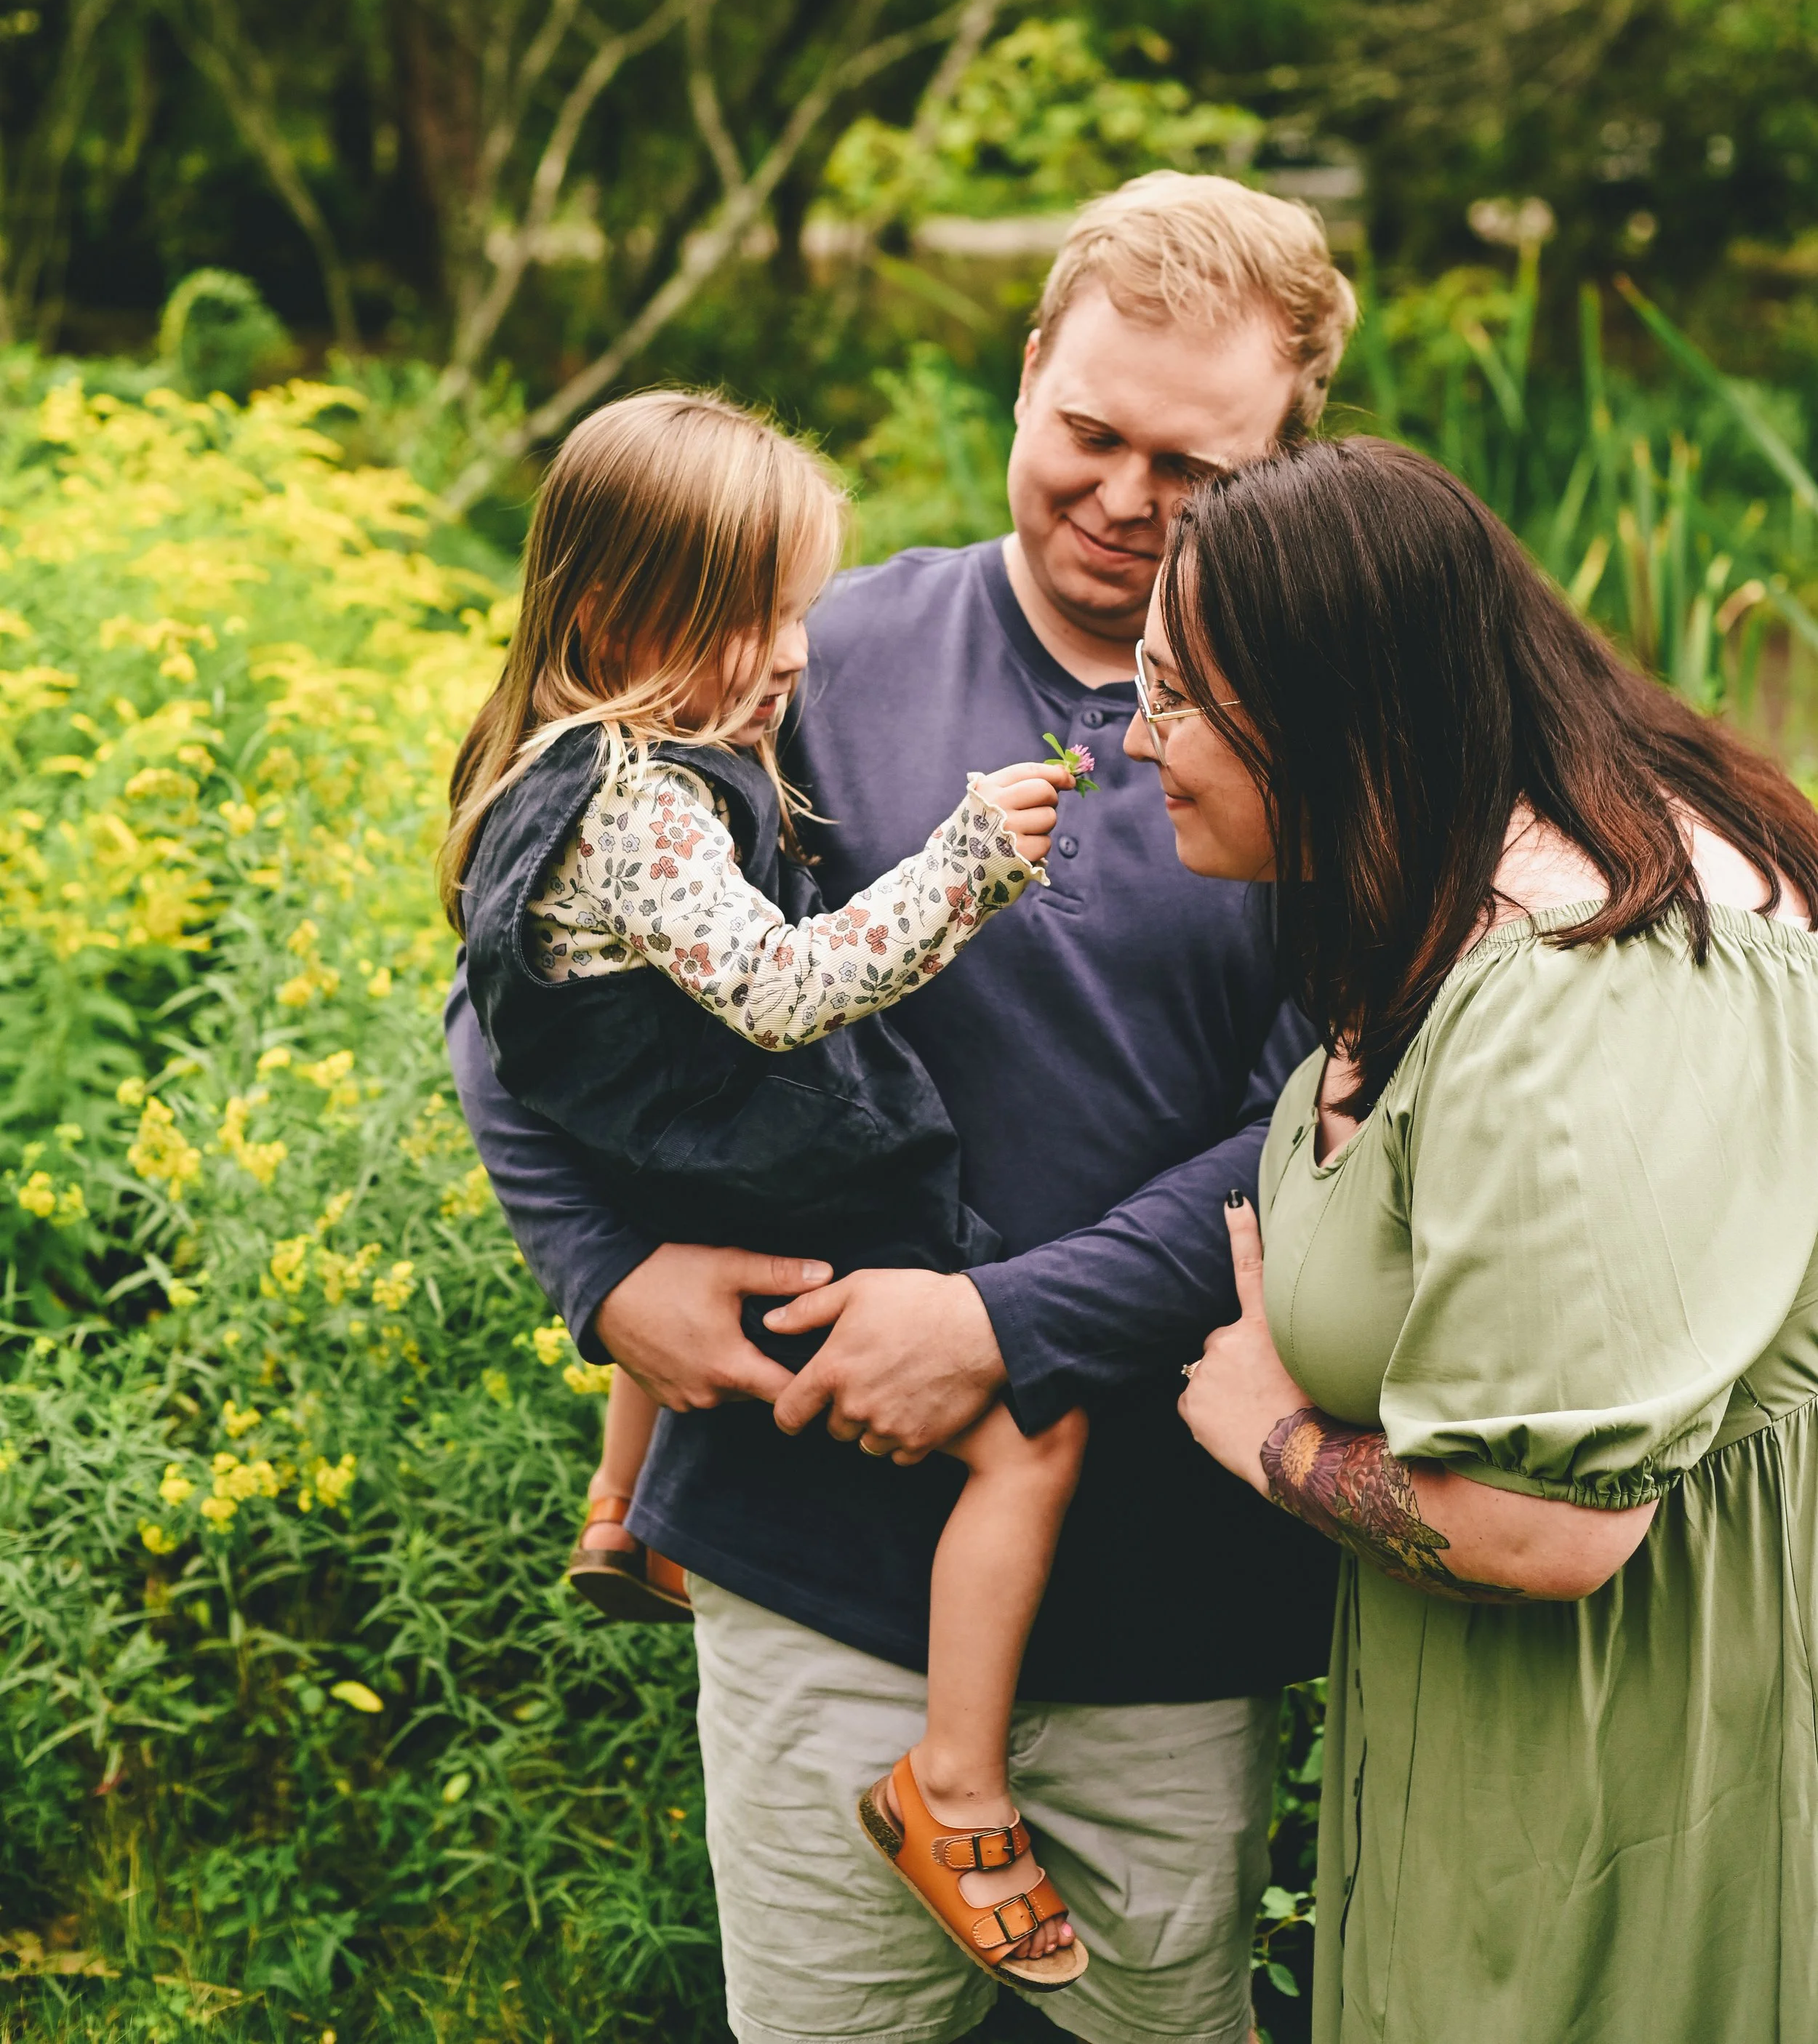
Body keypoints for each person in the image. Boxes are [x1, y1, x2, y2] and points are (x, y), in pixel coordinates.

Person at [447, 170, 1356, 2044]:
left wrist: (1004, 1325)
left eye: (1190, 467)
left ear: (1291, 447)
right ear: (1026, 376)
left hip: (1170, 1601)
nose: (1122, 499)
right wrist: (602, 1269)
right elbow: (526, 995)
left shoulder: (1349, 746)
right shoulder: (795, 657)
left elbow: (1319, 1121)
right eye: (1088, 433)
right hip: (812, 1565)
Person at [1142, 435, 1818, 2044]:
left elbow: (1544, 1531)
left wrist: (1267, 1433)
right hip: (1499, 1739)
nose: (1131, 738)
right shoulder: (1445, 890)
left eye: (1172, 697)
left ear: (1320, 706)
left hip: (1636, 1755)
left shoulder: (1597, 973)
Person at [441, 388, 1092, 1991]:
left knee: (677, 1233)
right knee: (1036, 1437)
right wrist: (965, 864)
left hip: (652, 1151)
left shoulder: (560, 761)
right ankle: (949, 1787)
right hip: (754, 1164)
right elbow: (787, 992)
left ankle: (627, 1519)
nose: (796, 653)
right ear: (617, 613)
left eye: (798, 608)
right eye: (755, 617)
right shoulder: (644, 802)